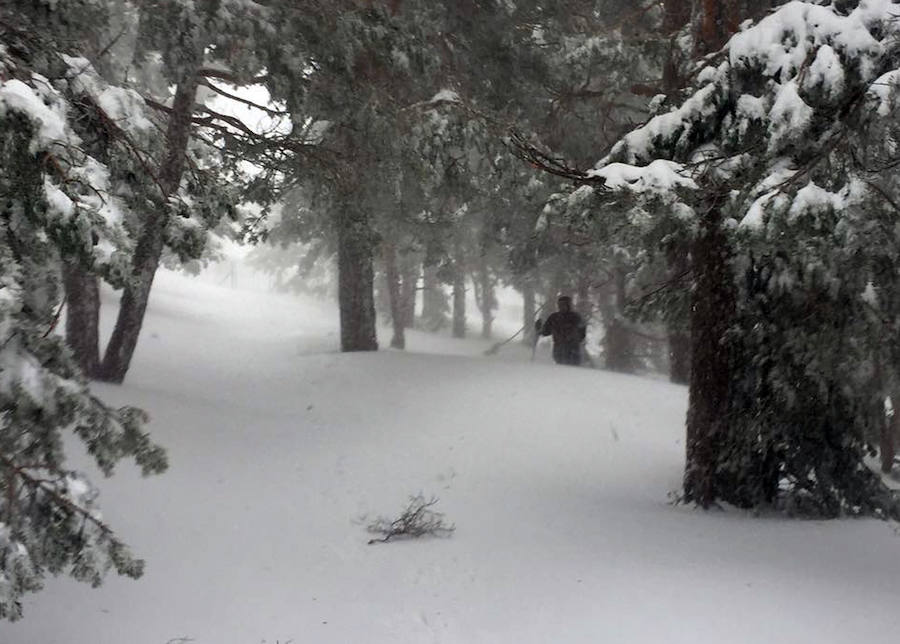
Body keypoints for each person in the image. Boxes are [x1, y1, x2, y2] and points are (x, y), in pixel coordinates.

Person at [535, 295, 587, 365]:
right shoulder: (554, 317)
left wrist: (571, 337)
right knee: (560, 369)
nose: (561, 307)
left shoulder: (576, 317)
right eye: (559, 304)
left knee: (572, 371)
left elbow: (582, 334)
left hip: (573, 351)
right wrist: (539, 328)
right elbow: (545, 332)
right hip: (558, 351)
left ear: (569, 305)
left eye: (564, 304)